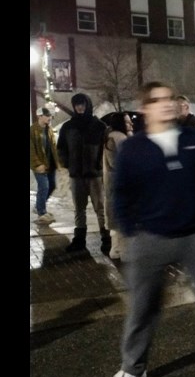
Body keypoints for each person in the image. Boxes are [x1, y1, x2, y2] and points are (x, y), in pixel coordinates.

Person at [98, 82, 195, 377]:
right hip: (150, 238)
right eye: (158, 100)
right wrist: (131, 231)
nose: (167, 104)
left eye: (170, 98)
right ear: (145, 108)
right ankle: (132, 369)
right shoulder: (134, 147)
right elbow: (121, 193)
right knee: (142, 307)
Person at [57, 93, 109, 253]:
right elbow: (61, 148)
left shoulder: (99, 126)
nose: (80, 107)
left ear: (88, 105)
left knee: (100, 208)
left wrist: (99, 165)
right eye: (77, 104)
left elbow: (104, 149)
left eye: (82, 104)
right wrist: (67, 163)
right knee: (79, 208)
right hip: (76, 174)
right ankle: (79, 240)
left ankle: (106, 239)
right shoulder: (68, 127)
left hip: (94, 175)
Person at [101, 111, 134, 259]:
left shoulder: (110, 137)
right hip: (123, 186)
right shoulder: (120, 138)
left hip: (112, 185)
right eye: (127, 122)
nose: (131, 124)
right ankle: (125, 253)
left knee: (115, 220)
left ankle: (115, 250)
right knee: (124, 219)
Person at [30, 107, 61, 224]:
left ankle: (39, 205)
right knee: (44, 186)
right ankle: (41, 212)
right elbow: (31, 150)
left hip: (50, 164)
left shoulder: (49, 129)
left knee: (52, 185)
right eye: (47, 115)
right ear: (39, 116)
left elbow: (53, 147)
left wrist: (57, 163)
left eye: (50, 116)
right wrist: (37, 164)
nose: (50, 118)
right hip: (39, 165)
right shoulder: (32, 131)